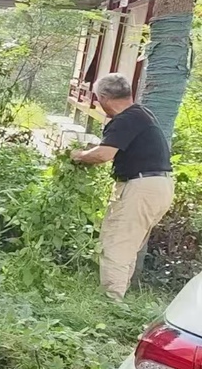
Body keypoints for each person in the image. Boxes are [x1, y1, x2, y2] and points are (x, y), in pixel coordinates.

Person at [71, 72, 174, 300]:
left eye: (98, 99)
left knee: (116, 245)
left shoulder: (126, 119)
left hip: (141, 186)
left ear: (105, 97)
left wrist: (78, 156)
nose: (98, 103)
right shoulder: (141, 114)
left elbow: (103, 154)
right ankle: (117, 296)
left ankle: (110, 302)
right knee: (127, 245)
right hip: (157, 185)